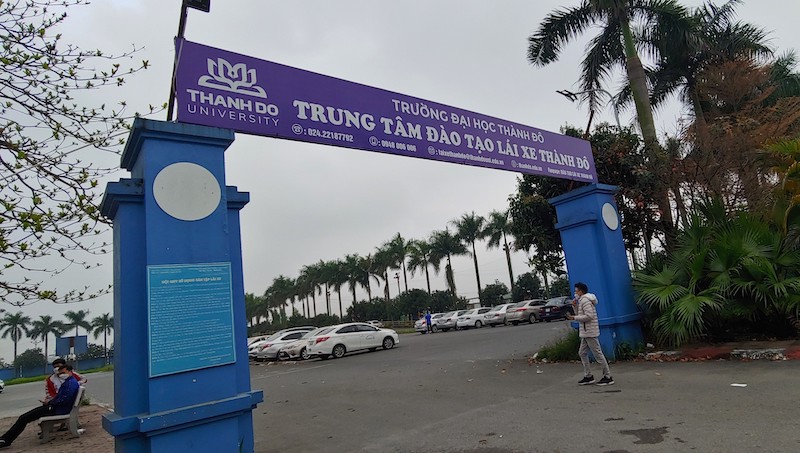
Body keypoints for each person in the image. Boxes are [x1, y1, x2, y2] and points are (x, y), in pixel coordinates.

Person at [0, 365, 81, 448]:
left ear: (70, 371)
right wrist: (49, 402)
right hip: (57, 408)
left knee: (23, 418)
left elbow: (64, 400)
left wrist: (50, 402)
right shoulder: (70, 382)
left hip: (57, 410)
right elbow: (62, 398)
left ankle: (6, 440)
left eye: (63, 373)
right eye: (60, 374)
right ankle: (5, 439)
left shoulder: (70, 384)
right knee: (24, 418)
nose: (61, 375)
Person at [566, 282, 614, 386]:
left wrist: (574, 317)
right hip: (586, 332)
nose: (575, 293)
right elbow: (581, 314)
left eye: (576, 291)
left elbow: (589, 316)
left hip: (590, 332)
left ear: (581, 291)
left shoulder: (585, 301)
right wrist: (575, 306)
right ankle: (588, 376)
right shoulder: (582, 301)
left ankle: (608, 376)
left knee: (598, 354)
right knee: (582, 353)